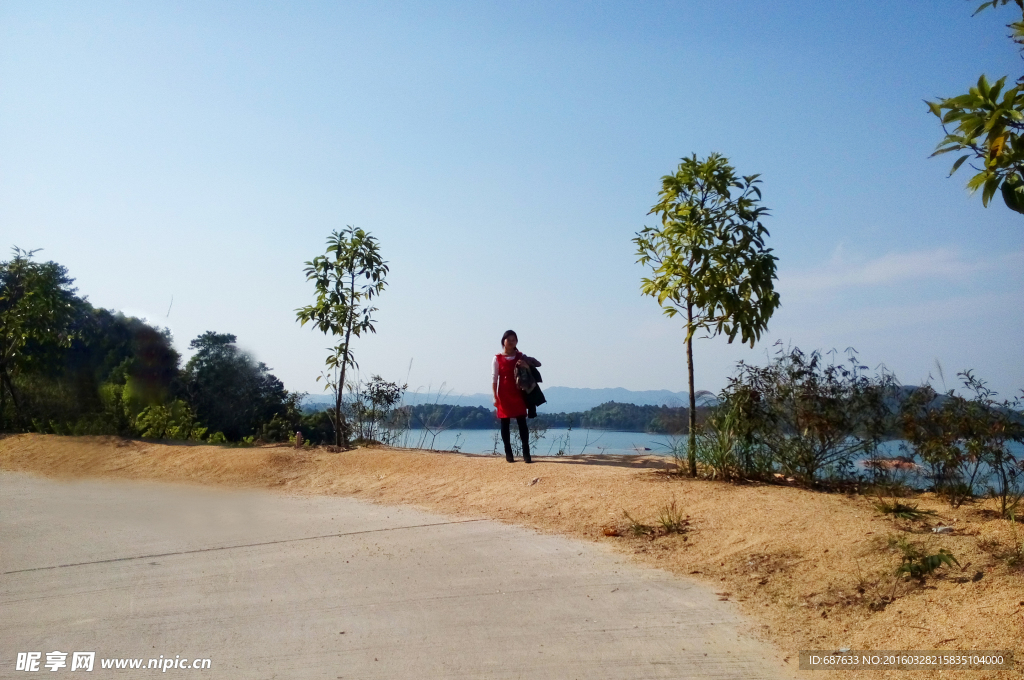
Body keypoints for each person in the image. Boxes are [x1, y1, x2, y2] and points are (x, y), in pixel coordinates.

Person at [492, 330, 541, 463]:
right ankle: (508, 453)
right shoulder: (497, 358)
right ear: (504, 341)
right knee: (505, 422)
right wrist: (494, 396)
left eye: (514, 340)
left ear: (516, 342)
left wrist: (526, 365)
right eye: (509, 340)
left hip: (519, 391)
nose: (511, 342)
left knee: (522, 422)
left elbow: (537, 366)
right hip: (504, 393)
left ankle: (526, 453)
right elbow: (494, 378)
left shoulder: (521, 356)